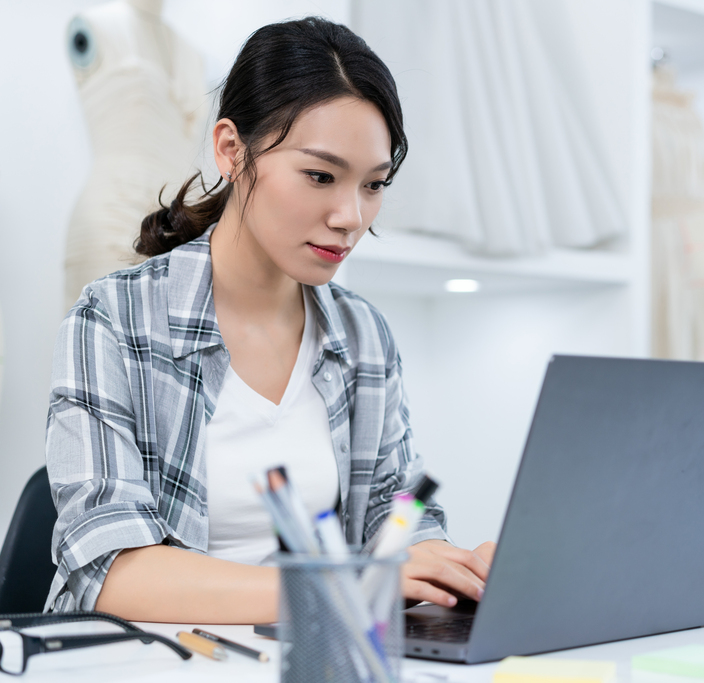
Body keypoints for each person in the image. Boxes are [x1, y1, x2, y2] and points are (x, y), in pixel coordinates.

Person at [45, 16, 494, 623]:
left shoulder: (363, 336)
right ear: (231, 149)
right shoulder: (114, 319)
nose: (350, 216)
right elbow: (110, 568)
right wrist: (345, 584)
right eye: (320, 176)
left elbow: (400, 506)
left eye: (374, 185)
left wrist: (441, 561)